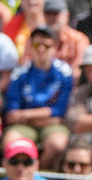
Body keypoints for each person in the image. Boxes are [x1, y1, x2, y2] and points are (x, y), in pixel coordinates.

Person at [4, 25, 74, 170]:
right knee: (11, 141)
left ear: (54, 48)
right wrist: (46, 116)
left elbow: (61, 111)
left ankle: (38, 175)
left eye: (46, 45)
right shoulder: (20, 73)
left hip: (49, 125)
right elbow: (12, 114)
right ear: (30, 47)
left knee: (57, 144)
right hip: (27, 125)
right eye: (36, 45)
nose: (41, 49)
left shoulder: (65, 73)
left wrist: (25, 115)